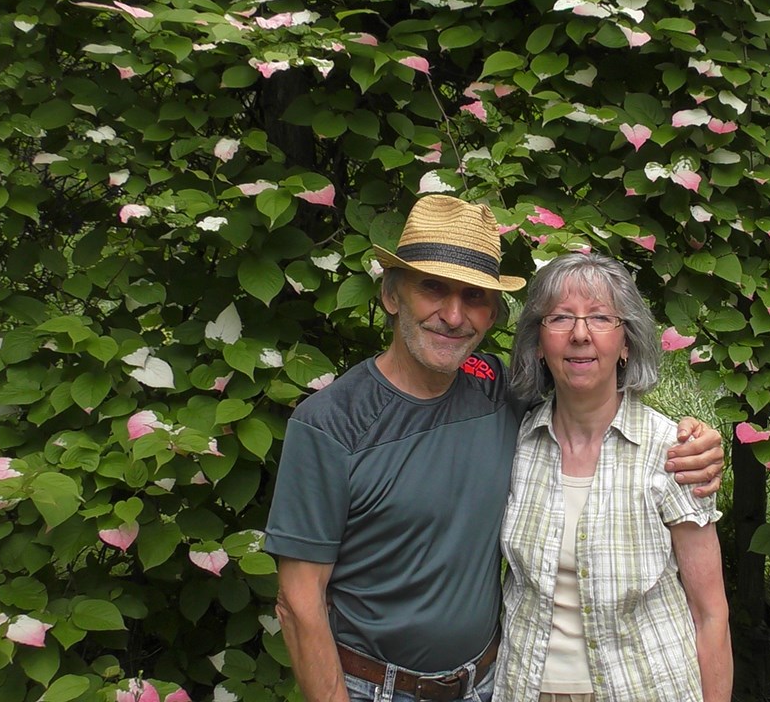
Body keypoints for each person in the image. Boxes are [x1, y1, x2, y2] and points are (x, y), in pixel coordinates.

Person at [263, 195, 725, 702]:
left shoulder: (501, 395)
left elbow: (591, 400)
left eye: (474, 296)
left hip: (488, 684)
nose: (453, 315)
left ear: (491, 315)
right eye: (433, 288)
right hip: (376, 688)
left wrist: (699, 440)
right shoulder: (332, 423)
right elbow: (298, 601)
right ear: (392, 295)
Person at [497, 253, 732, 702]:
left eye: (601, 317)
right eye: (561, 318)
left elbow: (710, 613)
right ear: (539, 342)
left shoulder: (675, 453)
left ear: (626, 343)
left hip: (644, 686)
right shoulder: (515, 442)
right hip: (526, 688)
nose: (580, 334)